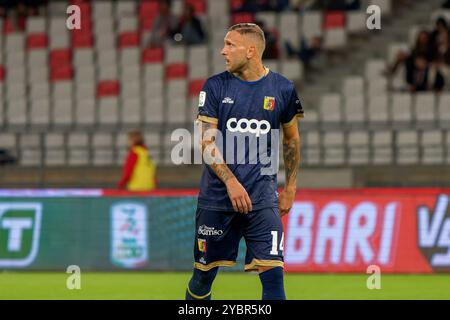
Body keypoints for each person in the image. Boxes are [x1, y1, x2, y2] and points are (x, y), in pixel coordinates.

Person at [185, 23, 304, 300]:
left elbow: (291, 141)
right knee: (202, 278)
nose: (222, 50)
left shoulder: (283, 89)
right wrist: (231, 182)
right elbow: (206, 143)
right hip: (218, 199)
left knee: (274, 280)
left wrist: (291, 187)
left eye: (230, 44)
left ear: (251, 51)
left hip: (263, 199)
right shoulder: (215, 87)